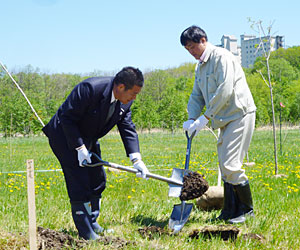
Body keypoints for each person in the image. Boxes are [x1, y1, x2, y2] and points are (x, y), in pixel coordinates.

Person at [42, 66, 149, 240]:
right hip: (64, 136)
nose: (134, 98)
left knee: (97, 179)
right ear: (121, 87)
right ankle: (86, 232)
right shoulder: (90, 89)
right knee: (79, 181)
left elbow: (127, 128)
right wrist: (79, 148)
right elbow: (67, 118)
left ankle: (92, 221)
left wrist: (136, 159)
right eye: (134, 93)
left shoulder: (125, 101)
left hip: (88, 138)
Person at [180, 26, 257, 224]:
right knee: (225, 166)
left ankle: (246, 211)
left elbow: (225, 89)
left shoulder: (221, 56)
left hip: (240, 114)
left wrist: (205, 117)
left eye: (192, 47)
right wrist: (191, 117)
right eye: (187, 49)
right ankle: (229, 211)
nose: (191, 52)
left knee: (231, 164)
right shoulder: (200, 67)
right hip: (225, 119)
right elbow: (197, 95)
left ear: (203, 40)